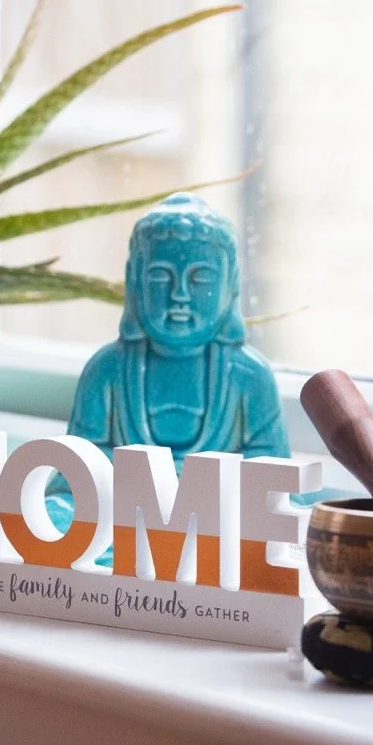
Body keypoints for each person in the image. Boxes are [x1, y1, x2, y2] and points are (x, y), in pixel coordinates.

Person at [46, 193, 289, 536]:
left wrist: (187, 493)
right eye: (160, 277)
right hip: (124, 520)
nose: (180, 294)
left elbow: (277, 479)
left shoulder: (249, 377)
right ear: (134, 280)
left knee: (276, 525)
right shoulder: (108, 371)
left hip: (215, 525)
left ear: (230, 283)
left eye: (200, 278)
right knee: (54, 514)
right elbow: (75, 474)